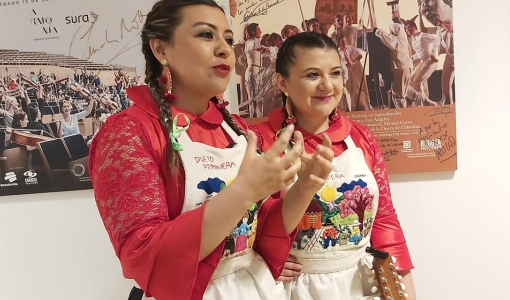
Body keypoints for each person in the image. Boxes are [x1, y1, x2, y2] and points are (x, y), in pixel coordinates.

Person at [88, 1, 333, 300]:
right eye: (206, 35)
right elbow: (144, 256)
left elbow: (260, 230)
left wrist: (305, 187)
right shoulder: (129, 131)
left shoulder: (236, 127)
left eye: (228, 40)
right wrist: (242, 192)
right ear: (161, 49)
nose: (224, 49)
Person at [249, 32, 416, 300]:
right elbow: (242, 219)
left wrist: (401, 284)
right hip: (290, 288)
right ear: (283, 82)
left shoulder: (363, 139)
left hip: (360, 283)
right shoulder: (258, 139)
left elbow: (384, 217)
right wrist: (264, 258)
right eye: (312, 75)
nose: (327, 85)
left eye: (335, 73)